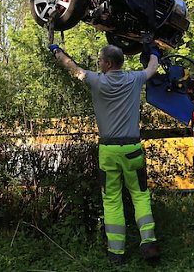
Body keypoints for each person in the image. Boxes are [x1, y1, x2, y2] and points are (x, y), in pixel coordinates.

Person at [49, 41, 162, 265]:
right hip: (132, 149)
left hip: (108, 151)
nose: (98, 62)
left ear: (108, 63)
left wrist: (57, 52)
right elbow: (152, 68)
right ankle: (149, 243)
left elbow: (72, 68)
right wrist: (154, 52)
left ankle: (116, 253)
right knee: (140, 195)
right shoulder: (134, 78)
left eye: (100, 59)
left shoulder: (96, 81)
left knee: (111, 200)